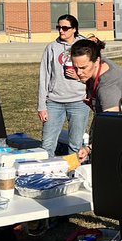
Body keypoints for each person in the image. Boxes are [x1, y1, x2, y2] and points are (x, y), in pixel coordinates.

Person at [38, 13, 93, 156]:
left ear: (74, 29)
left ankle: (73, 175)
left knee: (75, 145)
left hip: (79, 101)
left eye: (65, 28)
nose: (61, 31)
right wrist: (42, 106)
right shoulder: (52, 48)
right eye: (58, 27)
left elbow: (95, 71)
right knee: (47, 145)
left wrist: (79, 76)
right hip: (54, 102)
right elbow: (44, 76)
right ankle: (45, 176)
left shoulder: (86, 46)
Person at [70, 37, 122, 160]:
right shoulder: (97, 61)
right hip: (106, 128)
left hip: (120, 138)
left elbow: (111, 126)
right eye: (75, 67)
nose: (78, 72)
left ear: (96, 61)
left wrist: (89, 148)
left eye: (83, 67)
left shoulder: (107, 86)